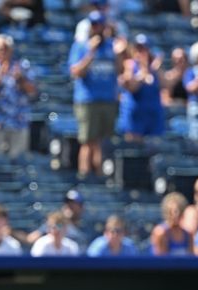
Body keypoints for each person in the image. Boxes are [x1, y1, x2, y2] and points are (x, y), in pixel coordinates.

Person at [68, 10, 122, 179]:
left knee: (103, 141)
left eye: (100, 24)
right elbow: (76, 72)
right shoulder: (81, 46)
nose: (97, 28)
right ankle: (84, 174)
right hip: (88, 100)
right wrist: (90, 53)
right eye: (94, 25)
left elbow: (120, 71)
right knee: (87, 140)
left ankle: (100, 175)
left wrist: (120, 54)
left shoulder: (112, 46)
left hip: (107, 99)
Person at [117, 34, 165, 142]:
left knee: (154, 148)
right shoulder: (130, 65)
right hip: (136, 114)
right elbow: (132, 87)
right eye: (138, 48)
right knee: (133, 148)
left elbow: (166, 85)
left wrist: (156, 68)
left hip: (153, 113)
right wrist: (143, 71)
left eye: (143, 48)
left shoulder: (155, 68)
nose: (141, 52)